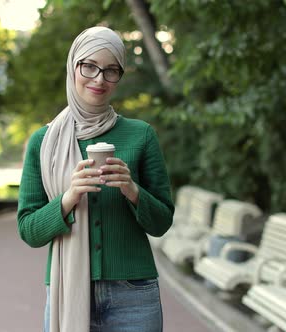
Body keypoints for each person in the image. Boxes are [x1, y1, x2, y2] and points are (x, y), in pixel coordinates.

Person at [17, 26, 174, 332]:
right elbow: (29, 231)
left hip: (134, 295)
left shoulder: (141, 135)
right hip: (67, 288)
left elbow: (162, 222)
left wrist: (132, 190)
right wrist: (69, 198)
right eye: (89, 66)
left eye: (111, 70)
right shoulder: (44, 141)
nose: (99, 78)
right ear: (73, 66)